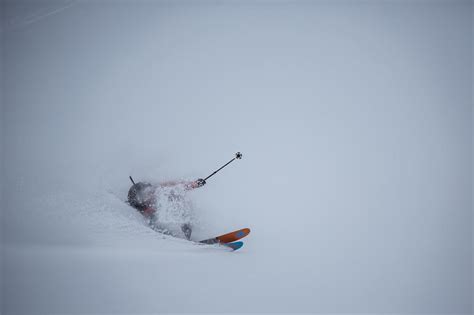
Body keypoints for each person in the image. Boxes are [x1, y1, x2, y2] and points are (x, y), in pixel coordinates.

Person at [127, 178, 206, 239]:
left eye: (149, 191)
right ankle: (177, 239)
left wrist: (194, 184)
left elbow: (177, 187)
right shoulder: (143, 210)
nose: (149, 195)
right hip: (158, 230)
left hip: (174, 218)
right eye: (144, 196)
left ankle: (188, 234)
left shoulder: (159, 191)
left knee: (178, 202)